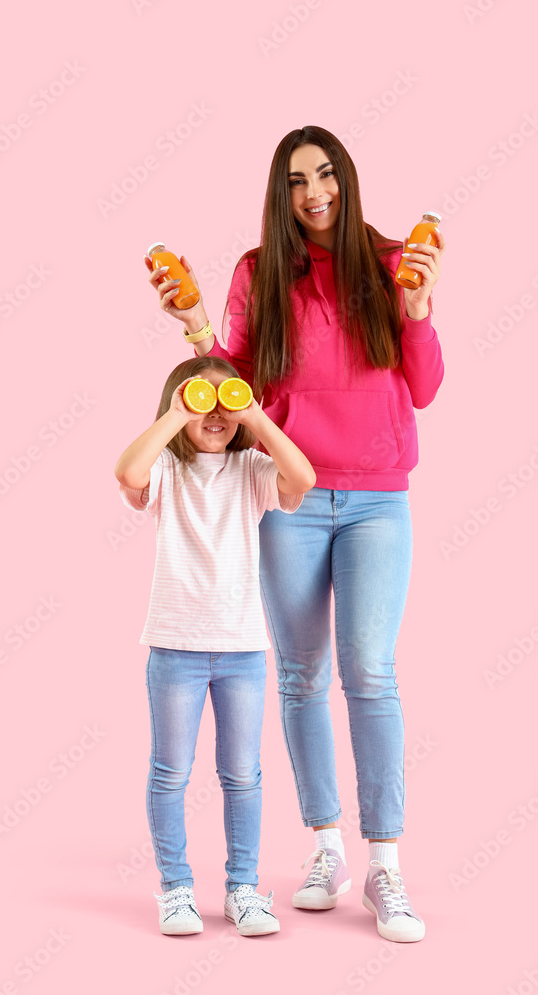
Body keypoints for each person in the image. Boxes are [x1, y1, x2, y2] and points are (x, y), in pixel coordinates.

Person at [144, 125, 445, 942]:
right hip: (288, 497)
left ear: (346, 179)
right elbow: (235, 389)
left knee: (370, 674)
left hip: (379, 498)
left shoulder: (388, 264)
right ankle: (325, 850)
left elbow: (422, 388)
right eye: (295, 182)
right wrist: (200, 330)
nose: (313, 194)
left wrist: (416, 312)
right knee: (301, 677)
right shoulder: (259, 272)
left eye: (325, 176)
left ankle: (385, 866)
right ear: (279, 195)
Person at [114, 355, 315, 937]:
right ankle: (176, 890)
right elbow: (127, 473)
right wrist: (177, 415)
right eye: (204, 401)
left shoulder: (252, 469)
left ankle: (242, 890)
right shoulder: (167, 475)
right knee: (170, 772)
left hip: (242, 648)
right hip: (175, 645)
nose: (215, 412)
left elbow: (301, 477)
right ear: (178, 405)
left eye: (226, 402)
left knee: (243, 775)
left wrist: (254, 415)